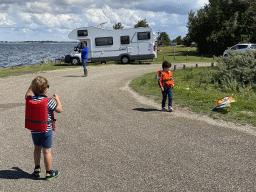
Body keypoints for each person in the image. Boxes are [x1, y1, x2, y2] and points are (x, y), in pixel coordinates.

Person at [25, 76, 62, 181]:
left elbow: (27, 94)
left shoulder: (30, 99)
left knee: (37, 149)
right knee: (47, 151)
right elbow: (59, 110)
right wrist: (58, 100)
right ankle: (49, 173)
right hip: (46, 130)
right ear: (45, 89)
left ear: (33, 88)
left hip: (35, 131)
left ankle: (37, 169)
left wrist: (32, 86)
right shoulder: (48, 101)